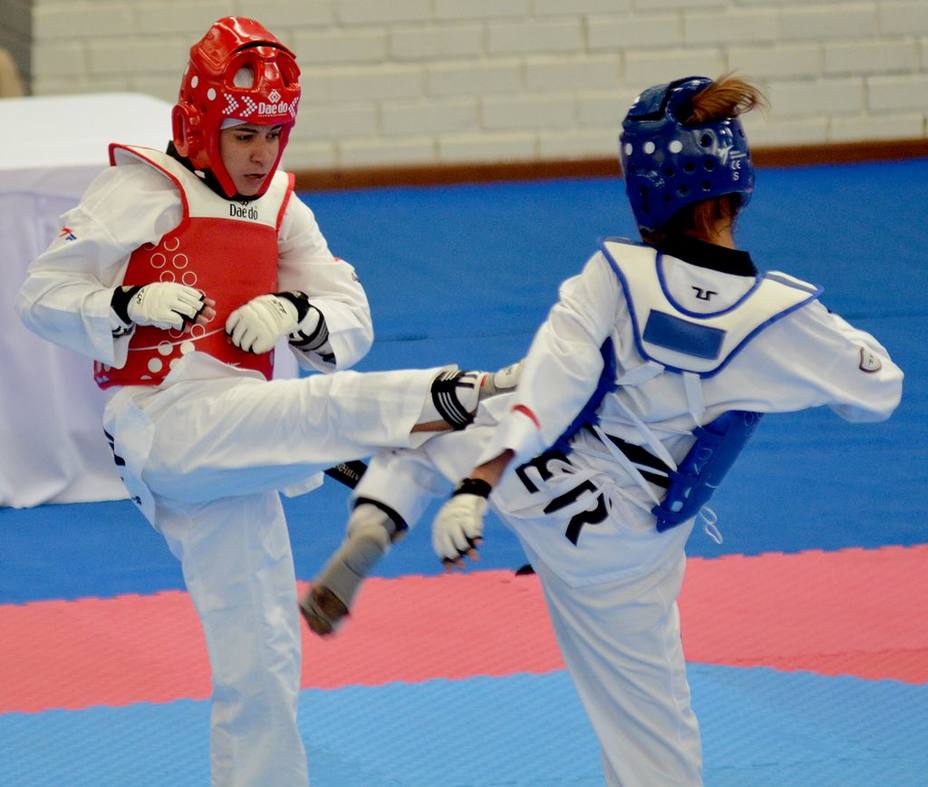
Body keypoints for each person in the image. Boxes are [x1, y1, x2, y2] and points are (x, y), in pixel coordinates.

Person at [300, 75, 904, 786]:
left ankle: (378, 511)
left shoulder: (610, 275)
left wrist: (478, 482)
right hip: (618, 550)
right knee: (654, 739)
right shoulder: (782, 318)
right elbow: (879, 389)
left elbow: (549, 389)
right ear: (735, 186)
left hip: (535, 473)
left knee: (468, 400)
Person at [16, 17, 504, 787]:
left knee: (265, 656)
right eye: (242, 133)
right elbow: (39, 294)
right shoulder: (143, 187)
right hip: (163, 426)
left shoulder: (280, 205)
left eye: (273, 136)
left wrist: (298, 316)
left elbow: (354, 316)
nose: (259, 155)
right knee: (307, 414)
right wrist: (127, 302)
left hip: (240, 447)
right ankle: (459, 401)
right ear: (199, 122)